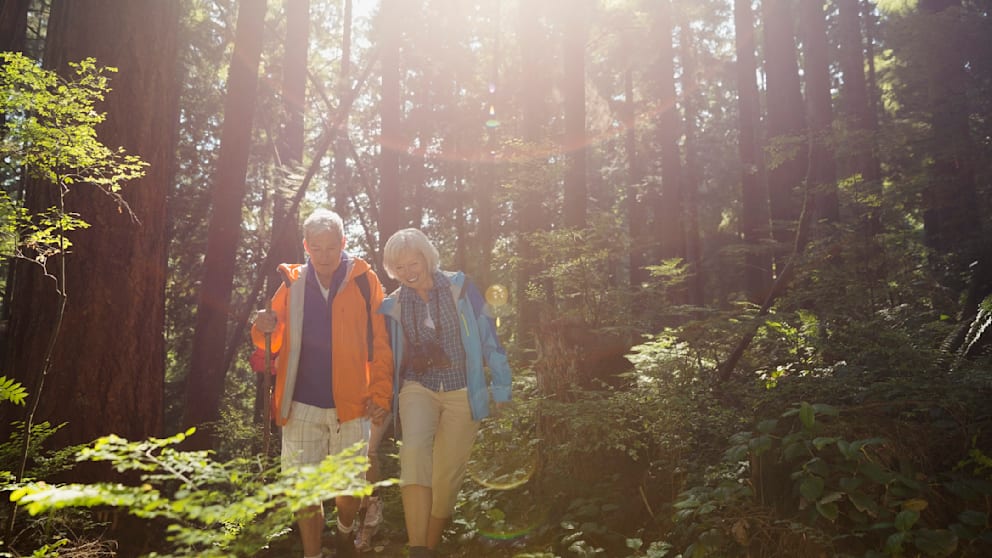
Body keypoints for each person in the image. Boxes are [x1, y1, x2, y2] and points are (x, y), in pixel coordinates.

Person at [251, 208, 392, 558]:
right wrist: (261, 327)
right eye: (318, 247)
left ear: (344, 243)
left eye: (332, 247)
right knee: (304, 489)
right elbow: (271, 339)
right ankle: (312, 553)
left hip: (353, 402)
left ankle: (345, 530)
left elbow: (381, 342)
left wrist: (380, 392)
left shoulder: (363, 280)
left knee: (350, 490)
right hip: (300, 403)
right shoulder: (292, 283)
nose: (325, 255)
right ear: (306, 246)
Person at [379, 228, 512, 558]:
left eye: (414, 263)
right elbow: (382, 356)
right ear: (393, 269)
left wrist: (502, 387)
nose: (409, 272)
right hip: (417, 387)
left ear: (427, 257)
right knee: (414, 452)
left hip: (462, 390)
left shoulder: (461, 288)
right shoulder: (392, 306)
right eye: (400, 267)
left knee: (448, 474)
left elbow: (488, 338)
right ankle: (417, 548)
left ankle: (430, 546)